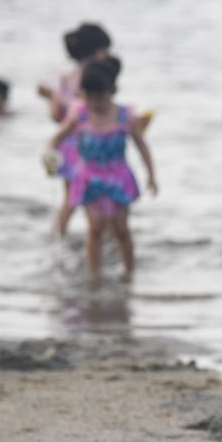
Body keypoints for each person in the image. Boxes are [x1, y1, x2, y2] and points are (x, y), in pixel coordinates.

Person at [47, 56, 156, 277]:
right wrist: (49, 155)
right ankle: (94, 276)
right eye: (90, 96)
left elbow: (142, 146)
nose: (96, 102)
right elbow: (56, 139)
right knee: (95, 227)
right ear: (82, 94)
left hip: (118, 176)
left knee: (121, 229)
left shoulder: (125, 116)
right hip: (89, 177)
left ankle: (128, 273)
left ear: (113, 90)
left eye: (101, 96)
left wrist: (151, 175)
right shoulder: (80, 115)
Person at [38, 23, 112, 237]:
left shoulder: (65, 78)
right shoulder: (96, 79)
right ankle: (99, 239)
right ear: (99, 51)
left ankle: (56, 236)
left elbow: (56, 116)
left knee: (70, 197)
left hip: (67, 146)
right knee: (97, 197)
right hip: (89, 146)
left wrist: (51, 96)